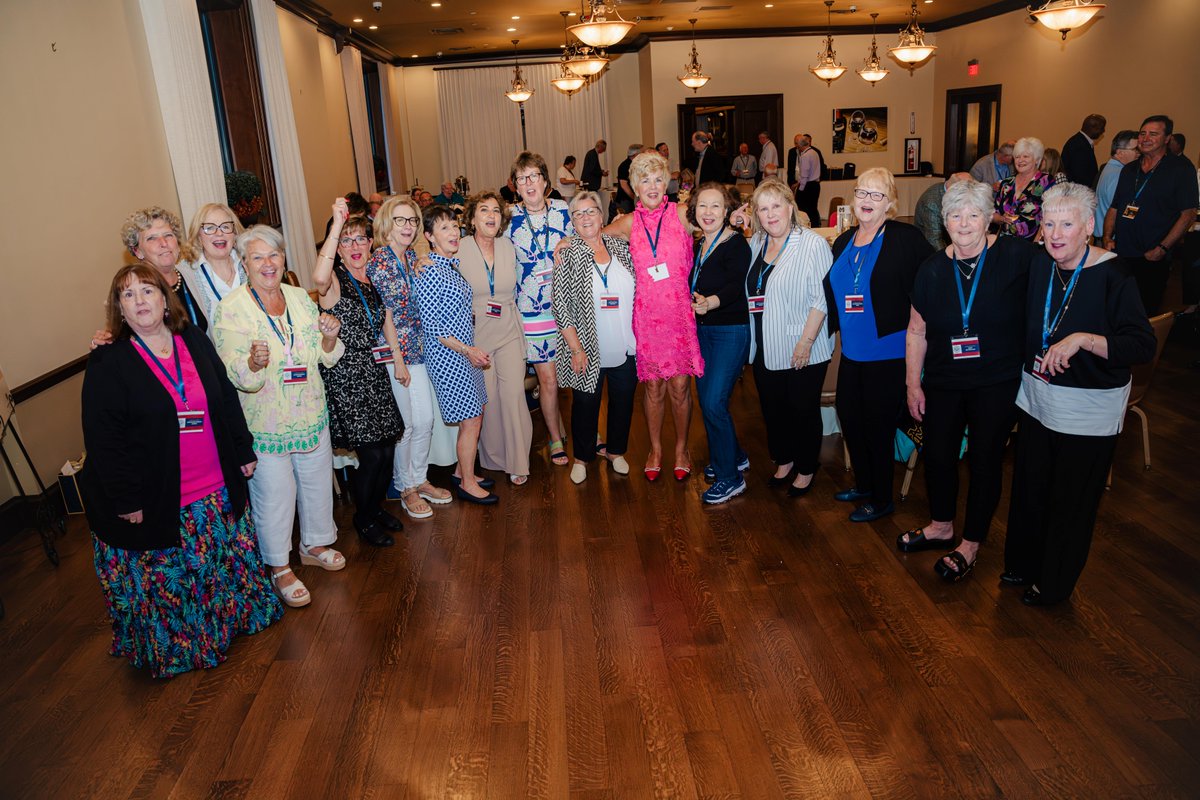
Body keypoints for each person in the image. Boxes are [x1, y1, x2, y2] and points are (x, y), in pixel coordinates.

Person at [80, 263, 282, 677]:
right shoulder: (109, 362)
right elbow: (104, 441)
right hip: (161, 497)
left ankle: (231, 624)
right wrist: (126, 498)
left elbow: (225, 395)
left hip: (216, 484)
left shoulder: (191, 338)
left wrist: (242, 448)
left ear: (164, 297)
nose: (140, 301)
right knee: (177, 581)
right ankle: (187, 645)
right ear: (119, 308)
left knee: (222, 567)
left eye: (147, 291)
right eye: (129, 295)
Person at [1004, 182, 1156, 606]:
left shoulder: (1114, 274)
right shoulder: (1041, 265)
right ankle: (1021, 565)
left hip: (1088, 408)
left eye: (1066, 224)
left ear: (1087, 226)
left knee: (1070, 501)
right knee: (1031, 489)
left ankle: (1053, 585)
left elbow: (1142, 345)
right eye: (1048, 223)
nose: (1055, 233)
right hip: (1038, 399)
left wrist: (1085, 339)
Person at [900, 179, 1037, 581]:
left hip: (996, 381)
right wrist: (913, 383)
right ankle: (942, 525)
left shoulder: (1017, 257)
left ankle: (972, 541)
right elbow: (916, 330)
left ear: (988, 218)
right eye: (955, 215)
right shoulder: (930, 269)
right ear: (944, 221)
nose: (964, 223)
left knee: (984, 459)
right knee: (938, 455)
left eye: (973, 214)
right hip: (943, 379)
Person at [212, 225, 347, 608]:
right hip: (265, 420)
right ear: (244, 263)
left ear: (283, 259)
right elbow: (231, 372)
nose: (268, 264)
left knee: (318, 480)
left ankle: (314, 544)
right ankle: (279, 566)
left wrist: (330, 336)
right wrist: (252, 364)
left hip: (309, 410)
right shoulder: (231, 308)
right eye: (257, 257)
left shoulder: (299, 298)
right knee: (275, 495)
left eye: (273, 255)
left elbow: (323, 356)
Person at [825, 168, 934, 522]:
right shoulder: (843, 242)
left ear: (890, 202)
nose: (868, 201)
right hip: (852, 351)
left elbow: (932, 280)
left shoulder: (905, 238)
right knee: (851, 419)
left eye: (877, 195)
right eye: (862, 193)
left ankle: (882, 498)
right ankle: (865, 485)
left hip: (888, 353)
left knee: (878, 427)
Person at [604, 151, 705, 480]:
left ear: (667, 183)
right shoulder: (629, 223)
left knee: (679, 387)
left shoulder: (683, 214)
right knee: (653, 389)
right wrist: (566, 245)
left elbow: (717, 222)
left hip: (678, 314)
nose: (651, 185)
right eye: (644, 180)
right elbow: (593, 238)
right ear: (634, 186)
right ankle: (655, 448)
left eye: (657, 178)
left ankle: (681, 447)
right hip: (646, 317)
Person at [312, 203, 406, 546]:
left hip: (373, 369)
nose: (354, 247)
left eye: (360, 240)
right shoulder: (334, 281)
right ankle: (363, 518)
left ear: (370, 244)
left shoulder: (371, 278)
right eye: (346, 241)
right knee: (371, 454)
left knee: (387, 450)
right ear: (338, 248)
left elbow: (387, 318)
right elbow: (318, 278)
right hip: (346, 374)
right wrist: (336, 226)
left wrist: (397, 359)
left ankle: (375, 507)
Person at [741, 179, 834, 501]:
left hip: (802, 345)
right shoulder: (757, 243)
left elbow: (822, 300)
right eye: (763, 209)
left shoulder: (812, 244)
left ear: (791, 207)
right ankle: (784, 459)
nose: (770, 214)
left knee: (802, 409)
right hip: (765, 344)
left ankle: (807, 467)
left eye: (776, 206)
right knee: (773, 408)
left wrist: (806, 343)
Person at [366, 195, 454, 520]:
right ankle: (406, 488)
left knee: (426, 421)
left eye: (412, 220)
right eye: (401, 220)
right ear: (387, 224)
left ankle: (419, 478)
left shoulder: (409, 258)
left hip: (417, 349)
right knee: (406, 425)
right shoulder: (381, 261)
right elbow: (386, 312)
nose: (408, 226)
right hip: (395, 352)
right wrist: (398, 358)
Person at [552, 191, 638, 484]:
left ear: (603, 216)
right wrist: (575, 349)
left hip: (626, 342)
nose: (586, 217)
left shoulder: (621, 246)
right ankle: (582, 457)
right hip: (587, 346)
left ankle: (616, 451)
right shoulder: (568, 252)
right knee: (585, 404)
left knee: (624, 400)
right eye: (579, 213)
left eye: (592, 211)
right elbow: (560, 305)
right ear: (572, 221)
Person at [413, 205, 497, 504]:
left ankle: (463, 473)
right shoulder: (430, 271)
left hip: (464, 352)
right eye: (444, 228)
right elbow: (433, 327)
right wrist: (468, 350)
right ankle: (469, 483)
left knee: (475, 415)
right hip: (449, 356)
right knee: (471, 419)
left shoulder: (448, 265)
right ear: (429, 236)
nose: (453, 233)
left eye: (454, 226)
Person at [457, 191, 532, 484]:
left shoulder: (508, 246)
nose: (491, 215)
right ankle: (493, 458)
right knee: (487, 400)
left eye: (496, 211)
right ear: (472, 218)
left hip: (509, 329)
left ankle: (518, 461)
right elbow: (433, 262)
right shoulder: (458, 248)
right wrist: (421, 263)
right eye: (484, 210)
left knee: (513, 394)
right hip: (477, 335)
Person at [506, 151, 573, 468]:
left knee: (571, 375)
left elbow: (587, 240)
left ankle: (582, 430)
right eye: (522, 178)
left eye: (534, 176)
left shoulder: (564, 210)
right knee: (547, 380)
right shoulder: (508, 218)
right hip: (532, 311)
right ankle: (555, 437)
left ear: (546, 181)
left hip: (567, 306)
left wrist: (568, 244)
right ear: (515, 186)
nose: (528, 183)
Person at [686, 183, 752, 503]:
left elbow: (737, 286)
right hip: (703, 332)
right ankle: (733, 455)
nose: (708, 213)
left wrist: (709, 302)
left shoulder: (736, 244)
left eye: (715, 207)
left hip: (730, 330)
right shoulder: (699, 244)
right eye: (702, 206)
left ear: (727, 212)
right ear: (694, 211)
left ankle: (730, 478)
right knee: (710, 400)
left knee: (712, 402)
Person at [1103, 115, 1200, 315]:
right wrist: (1107, 237)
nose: (1145, 138)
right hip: (1121, 253)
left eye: (1153, 134)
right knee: (1116, 307)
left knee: (1145, 312)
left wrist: (1162, 248)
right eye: (1142, 133)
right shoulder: (1130, 169)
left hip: (1152, 257)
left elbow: (1188, 214)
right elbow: (1114, 207)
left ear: (1167, 139)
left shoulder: (1181, 169)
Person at [120, 206, 208, 333]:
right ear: (138, 251)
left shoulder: (191, 274)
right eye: (151, 238)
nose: (163, 243)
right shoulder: (134, 291)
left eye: (168, 235)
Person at [184, 203, 246, 321]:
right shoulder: (188, 274)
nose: (219, 233)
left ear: (235, 234)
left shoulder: (251, 263)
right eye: (210, 228)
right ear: (198, 236)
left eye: (225, 227)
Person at [993, 137, 1055, 240]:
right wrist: (1000, 218)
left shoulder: (1046, 181)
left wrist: (1036, 245)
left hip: (1030, 245)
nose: (1020, 160)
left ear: (1037, 160)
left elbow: (1050, 217)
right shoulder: (1006, 183)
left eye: (1026, 156)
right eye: (1017, 157)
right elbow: (994, 213)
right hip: (1003, 242)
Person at [1094, 130, 1140, 237]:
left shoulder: (1109, 168)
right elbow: (1122, 210)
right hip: (1111, 238)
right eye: (1136, 149)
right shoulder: (1119, 174)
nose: (1139, 153)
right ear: (1120, 152)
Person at [913, 173, 970, 250]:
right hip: (928, 246)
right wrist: (948, 259)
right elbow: (934, 240)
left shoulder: (948, 188)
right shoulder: (931, 204)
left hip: (948, 236)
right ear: (954, 190)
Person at [1060, 113, 1106, 186]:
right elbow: (1080, 177)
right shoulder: (1078, 145)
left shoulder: (1081, 141)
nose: (1103, 131)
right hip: (1079, 192)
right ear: (1092, 127)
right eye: (1101, 128)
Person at [787, 134, 822, 226]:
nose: (797, 147)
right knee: (813, 208)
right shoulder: (815, 152)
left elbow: (804, 175)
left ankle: (806, 227)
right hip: (816, 185)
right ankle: (816, 226)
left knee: (803, 209)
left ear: (800, 145)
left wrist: (800, 190)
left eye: (797, 145)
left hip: (807, 186)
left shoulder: (805, 156)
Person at [613, 143, 641, 216]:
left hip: (630, 199)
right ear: (635, 155)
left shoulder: (634, 165)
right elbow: (623, 185)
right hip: (625, 200)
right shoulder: (625, 166)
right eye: (641, 154)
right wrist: (634, 198)